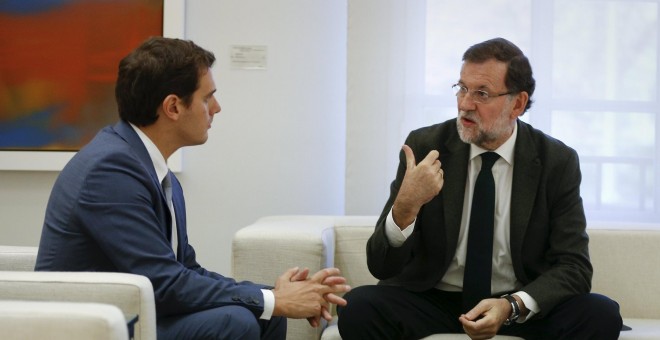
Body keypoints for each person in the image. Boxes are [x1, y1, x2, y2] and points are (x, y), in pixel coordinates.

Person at [35, 36, 350, 340]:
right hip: (91, 325)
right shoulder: (110, 170)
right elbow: (163, 283)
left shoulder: (147, 165)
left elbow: (185, 270)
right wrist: (273, 299)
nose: (217, 108)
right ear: (173, 107)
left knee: (264, 314)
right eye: (207, 97)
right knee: (238, 321)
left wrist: (271, 296)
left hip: (137, 312)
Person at [337, 37, 622, 340]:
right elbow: (381, 266)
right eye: (462, 88)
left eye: (482, 93)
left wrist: (512, 306)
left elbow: (575, 267)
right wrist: (404, 209)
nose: (465, 104)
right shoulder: (426, 146)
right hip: (434, 299)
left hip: (515, 303)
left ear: (518, 103)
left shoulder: (556, 161)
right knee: (358, 306)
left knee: (601, 314)